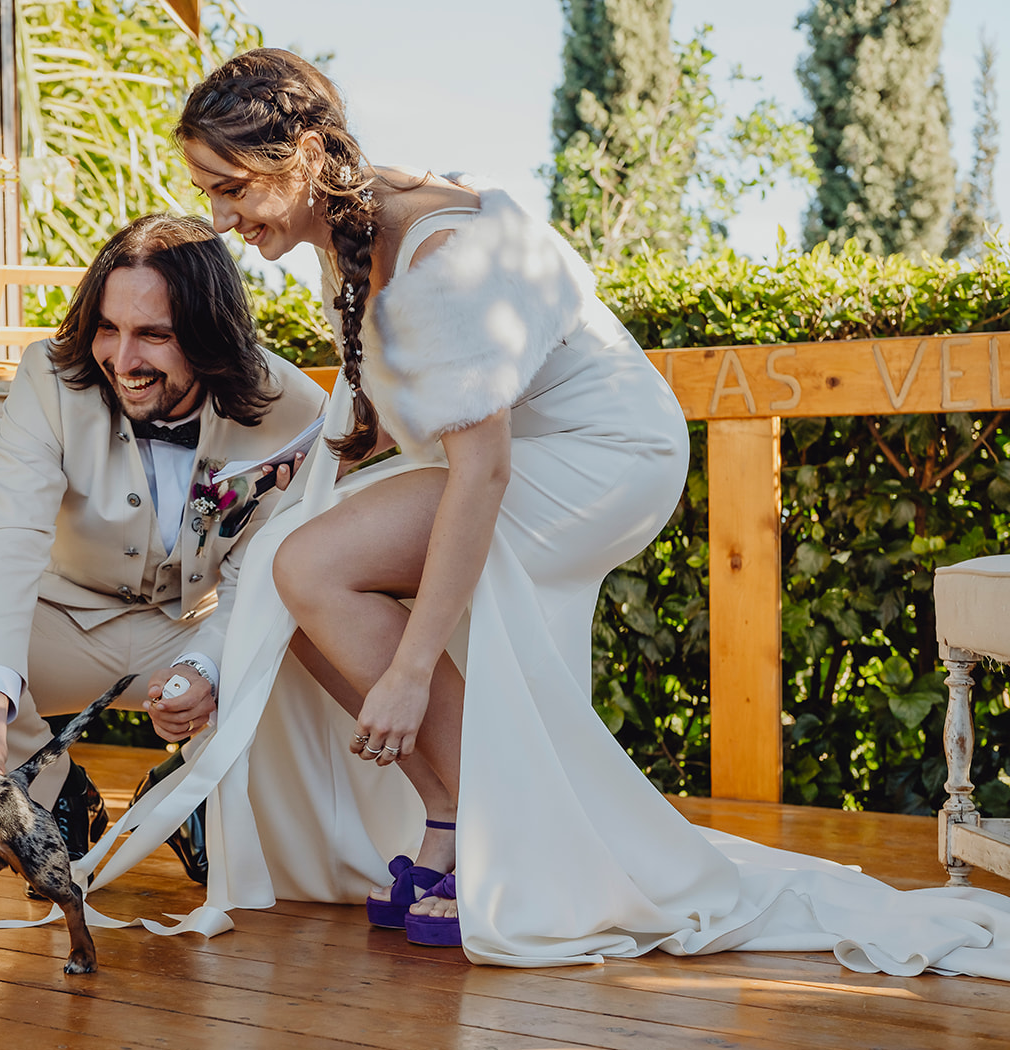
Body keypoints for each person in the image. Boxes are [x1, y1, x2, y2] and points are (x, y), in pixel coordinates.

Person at [74, 49, 1010, 980]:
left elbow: (481, 472)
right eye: (209, 192)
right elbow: (402, 400)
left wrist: (408, 673)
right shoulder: (348, 234)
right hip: (510, 453)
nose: (221, 219)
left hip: (599, 458)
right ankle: (454, 816)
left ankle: (491, 828)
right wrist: (305, 466)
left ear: (307, 156)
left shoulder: (439, 258)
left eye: (233, 188)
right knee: (290, 564)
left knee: (311, 565)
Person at [0, 213, 326, 867]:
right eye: (108, 329)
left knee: (318, 641)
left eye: (154, 335)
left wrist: (205, 666)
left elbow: (259, 575)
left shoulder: (294, 408)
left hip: (194, 631)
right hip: (63, 623)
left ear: (210, 333)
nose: (123, 359)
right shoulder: (50, 377)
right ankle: (50, 791)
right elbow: (9, 536)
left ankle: (192, 788)